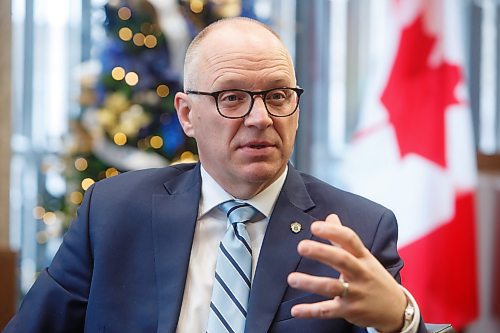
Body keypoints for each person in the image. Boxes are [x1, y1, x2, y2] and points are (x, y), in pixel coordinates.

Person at [4, 17, 426, 333]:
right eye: (233, 97)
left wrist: (402, 320)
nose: (260, 118)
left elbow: (393, 317)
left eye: (278, 96)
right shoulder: (112, 212)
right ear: (187, 115)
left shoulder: (357, 230)